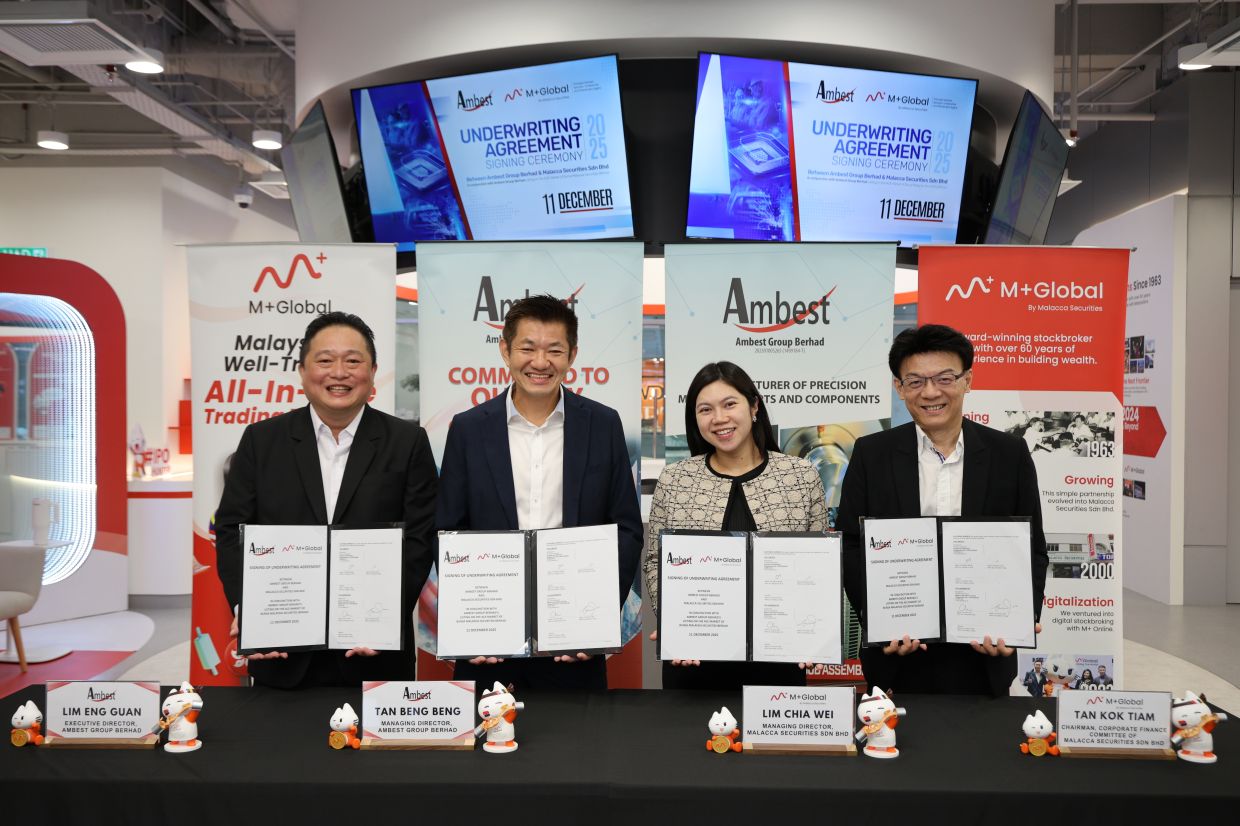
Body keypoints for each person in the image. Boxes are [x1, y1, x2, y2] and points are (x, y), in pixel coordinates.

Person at [215, 312, 438, 689]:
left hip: (374, 653)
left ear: (373, 372)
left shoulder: (407, 442)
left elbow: (420, 537)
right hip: (282, 651)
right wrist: (251, 611)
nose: (339, 372)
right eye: (324, 360)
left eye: (353, 361)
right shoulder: (261, 440)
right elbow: (231, 531)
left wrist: (384, 615)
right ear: (302, 371)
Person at [436, 294, 642, 690]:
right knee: (489, 730)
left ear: (572, 355)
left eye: (555, 350)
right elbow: (447, 531)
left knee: (577, 731)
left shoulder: (602, 424)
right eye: (528, 348)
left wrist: (595, 618)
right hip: (489, 642)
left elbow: (626, 530)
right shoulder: (468, 429)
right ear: (505, 350)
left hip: (574, 644)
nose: (541, 362)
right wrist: (469, 621)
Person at [838, 324, 1049, 696]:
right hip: (896, 654)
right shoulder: (872, 454)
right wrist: (879, 621)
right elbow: (851, 546)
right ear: (899, 387)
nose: (931, 392)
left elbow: (1031, 548)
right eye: (915, 381)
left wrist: (1015, 622)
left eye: (944, 378)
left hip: (984, 651)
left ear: (968, 380)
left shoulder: (1008, 454)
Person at [643, 361, 828, 690]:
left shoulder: (800, 476)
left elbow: (820, 562)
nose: (719, 418)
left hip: (780, 657)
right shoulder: (675, 479)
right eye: (705, 409)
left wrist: (813, 630)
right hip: (695, 657)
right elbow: (657, 561)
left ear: (754, 406)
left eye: (729, 404)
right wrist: (675, 623)